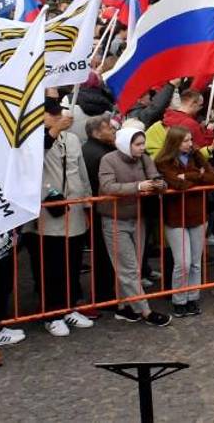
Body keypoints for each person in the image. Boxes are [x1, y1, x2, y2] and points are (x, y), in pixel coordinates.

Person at [29, 98, 96, 337]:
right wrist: (54, 130)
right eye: (51, 113)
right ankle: (51, 313)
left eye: (59, 112)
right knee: (51, 266)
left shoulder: (73, 139)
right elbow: (32, 156)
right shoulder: (32, 138)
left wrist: (87, 200)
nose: (58, 116)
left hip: (75, 209)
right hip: (49, 212)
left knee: (72, 263)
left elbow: (81, 170)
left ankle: (69, 307)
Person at [97, 127, 171, 327]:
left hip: (138, 217)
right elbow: (108, 186)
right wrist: (138, 187)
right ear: (125, 144)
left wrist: (159, 185)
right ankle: (145, 311)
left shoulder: (144, 159)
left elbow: (157, 178)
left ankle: (125, 307)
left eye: (142, 143)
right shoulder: (109, 160)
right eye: (137, 144)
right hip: (114, 219)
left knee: (133, 266)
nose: (142, 148)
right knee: (128, 267)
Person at [155, 125, 214, 317]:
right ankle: (179, 299)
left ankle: (193, 297)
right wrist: (197, 176)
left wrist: (192, 175)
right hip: (176, 217)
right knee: (182, 262)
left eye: (191, 140)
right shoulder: (163, 161)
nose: (190, 144)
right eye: (186, 141)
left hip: (198, 215)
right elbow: (177, 183)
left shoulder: (197, 155)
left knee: (195, 262)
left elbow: (212, 178)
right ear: (175, 142)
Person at [79, 114, 118, 304]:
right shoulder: (102, 154)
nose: (113, 131)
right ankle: (104, 294)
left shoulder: (90, 149)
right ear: (96, 132)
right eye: (109, 128)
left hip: (96, 208)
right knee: (104, 254)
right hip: (101, 209)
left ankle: (105, 291)